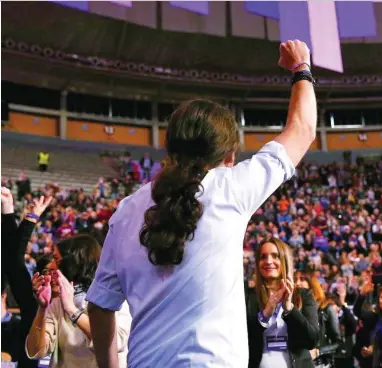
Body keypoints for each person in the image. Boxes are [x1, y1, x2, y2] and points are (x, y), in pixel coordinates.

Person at [86, 40, 317, 368]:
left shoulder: (125, 211)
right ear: (229, 156)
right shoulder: (231, 189)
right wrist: (301, 68)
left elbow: (100, 305)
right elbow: (302, 129)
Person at [26, 235, 131, 368]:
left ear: (74, 263)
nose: (52, 266)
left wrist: (72, 311)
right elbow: (36, 351)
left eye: (57, 260)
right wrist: (42, 309)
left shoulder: (113, 298)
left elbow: (116, 343)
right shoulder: (57, 304)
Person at [246, 239, 319, 368]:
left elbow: (311, 340)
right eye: (263, 257)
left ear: (285, 260)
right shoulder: (247, 296)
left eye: (275, 256)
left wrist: (289, 309)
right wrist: (264, 315)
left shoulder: (304, 295)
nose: (268, 261)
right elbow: (243, 338)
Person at [2, 187, 51, 368]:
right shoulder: (32, 306)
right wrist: (8, 211)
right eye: (45, 273)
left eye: (56, 273)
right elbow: (13, 259)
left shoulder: (82, 310)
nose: (49, 280)